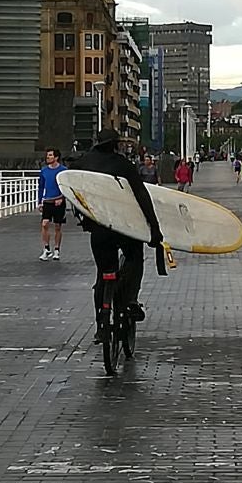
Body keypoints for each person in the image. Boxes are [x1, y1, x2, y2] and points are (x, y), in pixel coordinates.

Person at [74, 128, 164, 344]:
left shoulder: (83, 163)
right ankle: (131, 299)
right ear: (116, 143)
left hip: (99, 229)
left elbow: (74, 194)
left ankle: (100, 326)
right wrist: (154, 227)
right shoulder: (123, 164)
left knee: (103, 275)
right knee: (134, 256)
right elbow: (141, 195)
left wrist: (86, 221)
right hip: (123, 228)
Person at [37, 147, 67, 261]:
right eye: (47, 155)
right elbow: (41, 187)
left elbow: (67, 186)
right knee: (44, 224)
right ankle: (46, 249)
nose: (47, 157)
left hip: (58, 201)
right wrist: (39, 201)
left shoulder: (63, 170)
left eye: (50, 155)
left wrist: (62, 197)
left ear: (56, 157)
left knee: (58, 226)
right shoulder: (44, 171)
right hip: (47, 201)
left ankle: (57, 249)